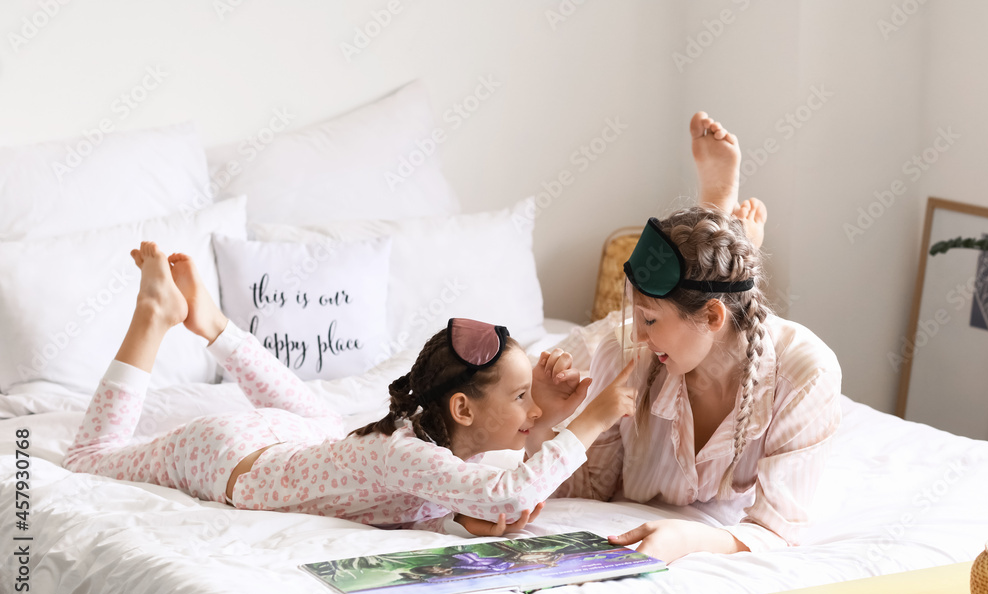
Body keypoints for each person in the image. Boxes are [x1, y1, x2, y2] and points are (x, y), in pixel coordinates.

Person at [63, 242, 636, 537]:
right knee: (88, 460)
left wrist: (457, 519)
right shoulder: (403, 451)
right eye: (519, 397)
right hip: (227, 456)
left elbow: (501, 495)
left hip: (306, 439)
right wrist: (590, 420)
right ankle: (153, 314)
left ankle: (213, 325)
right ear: (461, 407)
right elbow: (509, 495)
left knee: (311, 410)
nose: (530, 408)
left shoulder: (428, 447)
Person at [553, 112, 842, 562]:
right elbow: (589, 489)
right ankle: (720, 216)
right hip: (623, 341)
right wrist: (550, 421)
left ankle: (721, 218)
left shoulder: (806, 372)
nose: (639, 335)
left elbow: (778, 527)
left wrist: (688, 539)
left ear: (711, 316)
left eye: (648, 319)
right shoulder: (624, 349)